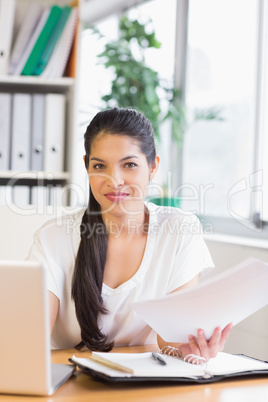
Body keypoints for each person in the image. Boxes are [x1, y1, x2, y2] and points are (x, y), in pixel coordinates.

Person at [27, 107, 232, 361]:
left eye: (130, 165)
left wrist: (191, 349)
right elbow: (29, 341)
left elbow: (171, 340)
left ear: (153, 167)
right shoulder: (52, 239)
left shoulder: (178, 231)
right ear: (86, 166)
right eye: (100, 165)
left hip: (144, 385)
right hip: (70, 384)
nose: (114, 180)